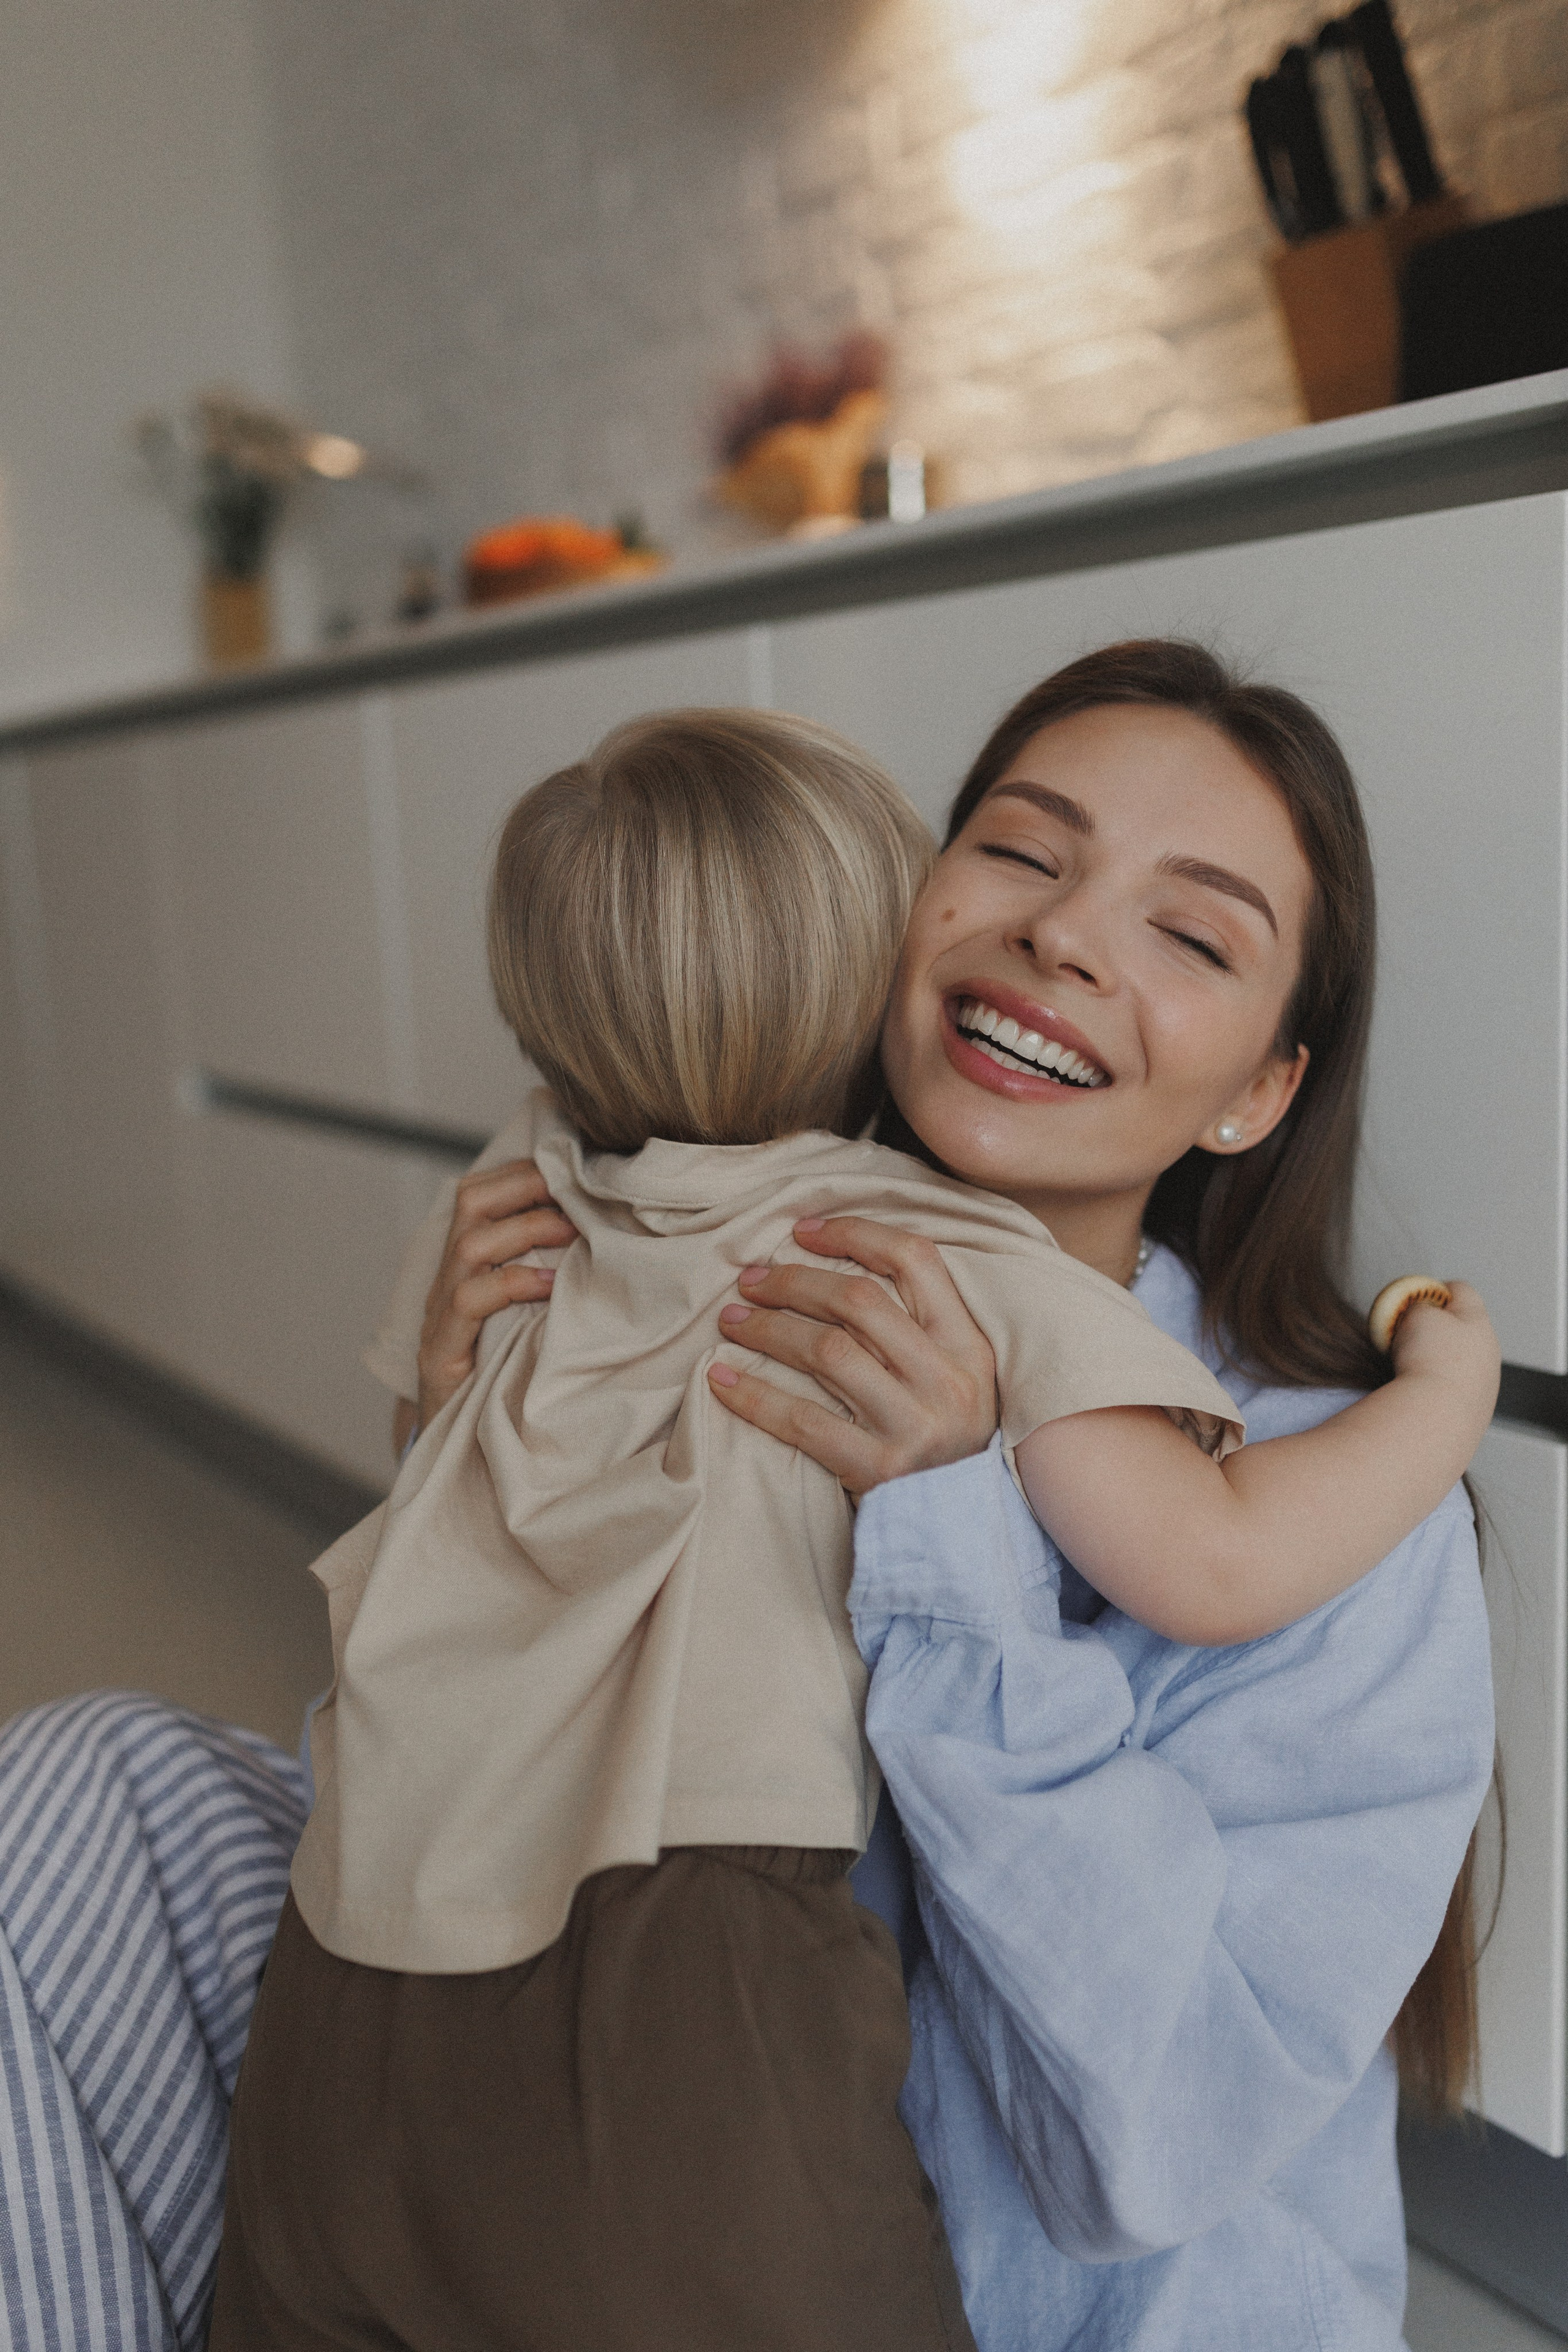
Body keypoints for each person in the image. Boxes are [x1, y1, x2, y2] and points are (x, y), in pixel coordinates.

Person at [377, 644, 1496, 2350]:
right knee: (102, 1791)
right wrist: (458, 1437)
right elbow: (479, 1815)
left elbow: (1147, 2143)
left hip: (1052, 2310)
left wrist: (955, 1535)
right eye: (1021, 855)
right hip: (653, 2219)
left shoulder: (1340, 1513)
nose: (1064, 935)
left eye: (1192, 935)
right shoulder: (717, 1271)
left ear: (1262, 1089)